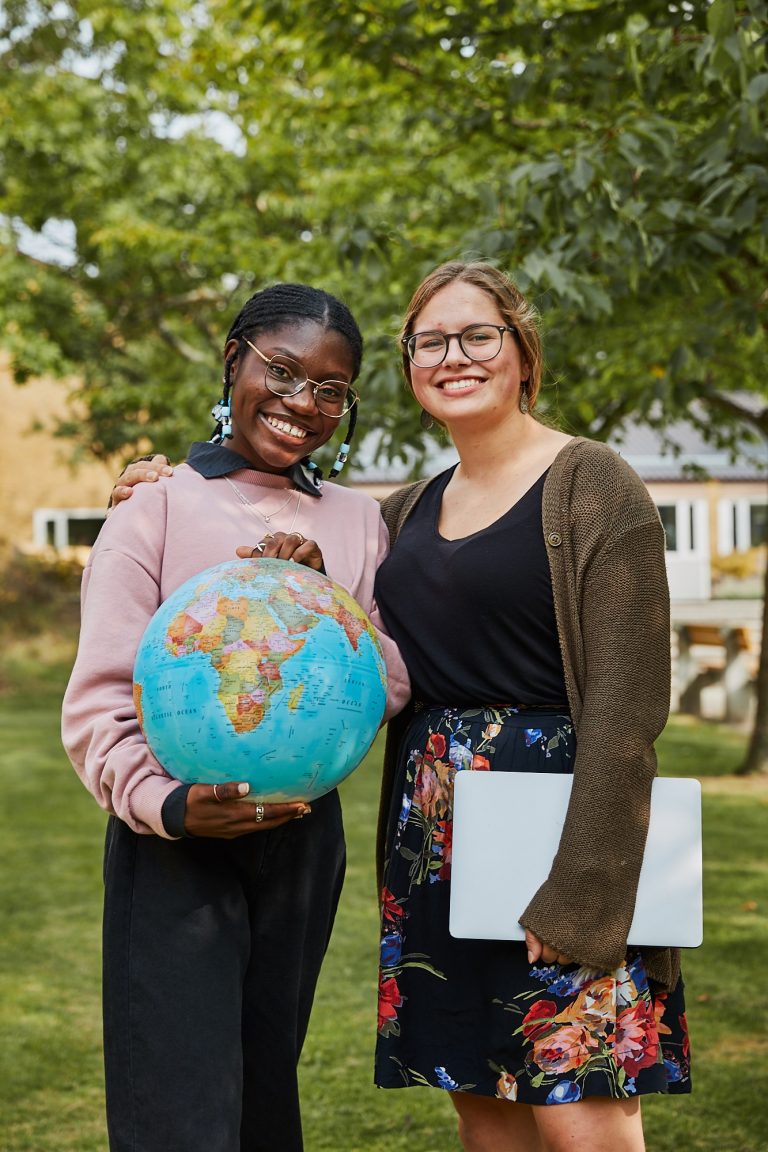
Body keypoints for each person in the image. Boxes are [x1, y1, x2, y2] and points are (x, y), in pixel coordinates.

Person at [112, 261, 692, 1152]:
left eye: (477, 335)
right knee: (483, 1101)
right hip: (440, 842)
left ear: (522, 351)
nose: (453, 356)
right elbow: (349, 640)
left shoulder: (595, 483)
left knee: (584, 1106)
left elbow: (628, 706)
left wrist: (587, 888)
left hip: (566, 834)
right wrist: (156, 482)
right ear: (411, 365)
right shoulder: (403, 513)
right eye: (430, 342)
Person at [61, 282, 410, 1152]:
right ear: (234, 361)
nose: (302, 404)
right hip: (173, 841)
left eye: (332, 390)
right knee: (177, 1114)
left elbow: (393, 681)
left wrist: (327, 599)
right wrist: (168, 805)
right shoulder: (156, 504)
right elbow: (100, 697)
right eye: (283, 372)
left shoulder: (360, 522)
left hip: (301, 841)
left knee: (264, 1102)